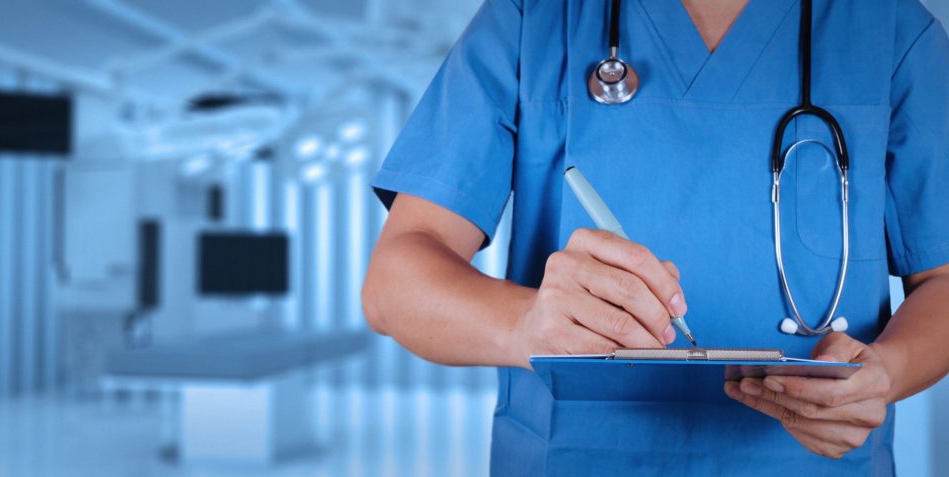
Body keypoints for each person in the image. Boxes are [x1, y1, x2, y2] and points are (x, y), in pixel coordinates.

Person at [361, 0, 949, 475]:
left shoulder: (889, 28)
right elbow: (395, 282)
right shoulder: (533, 17)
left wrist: (887, 372)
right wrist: (524, 324)